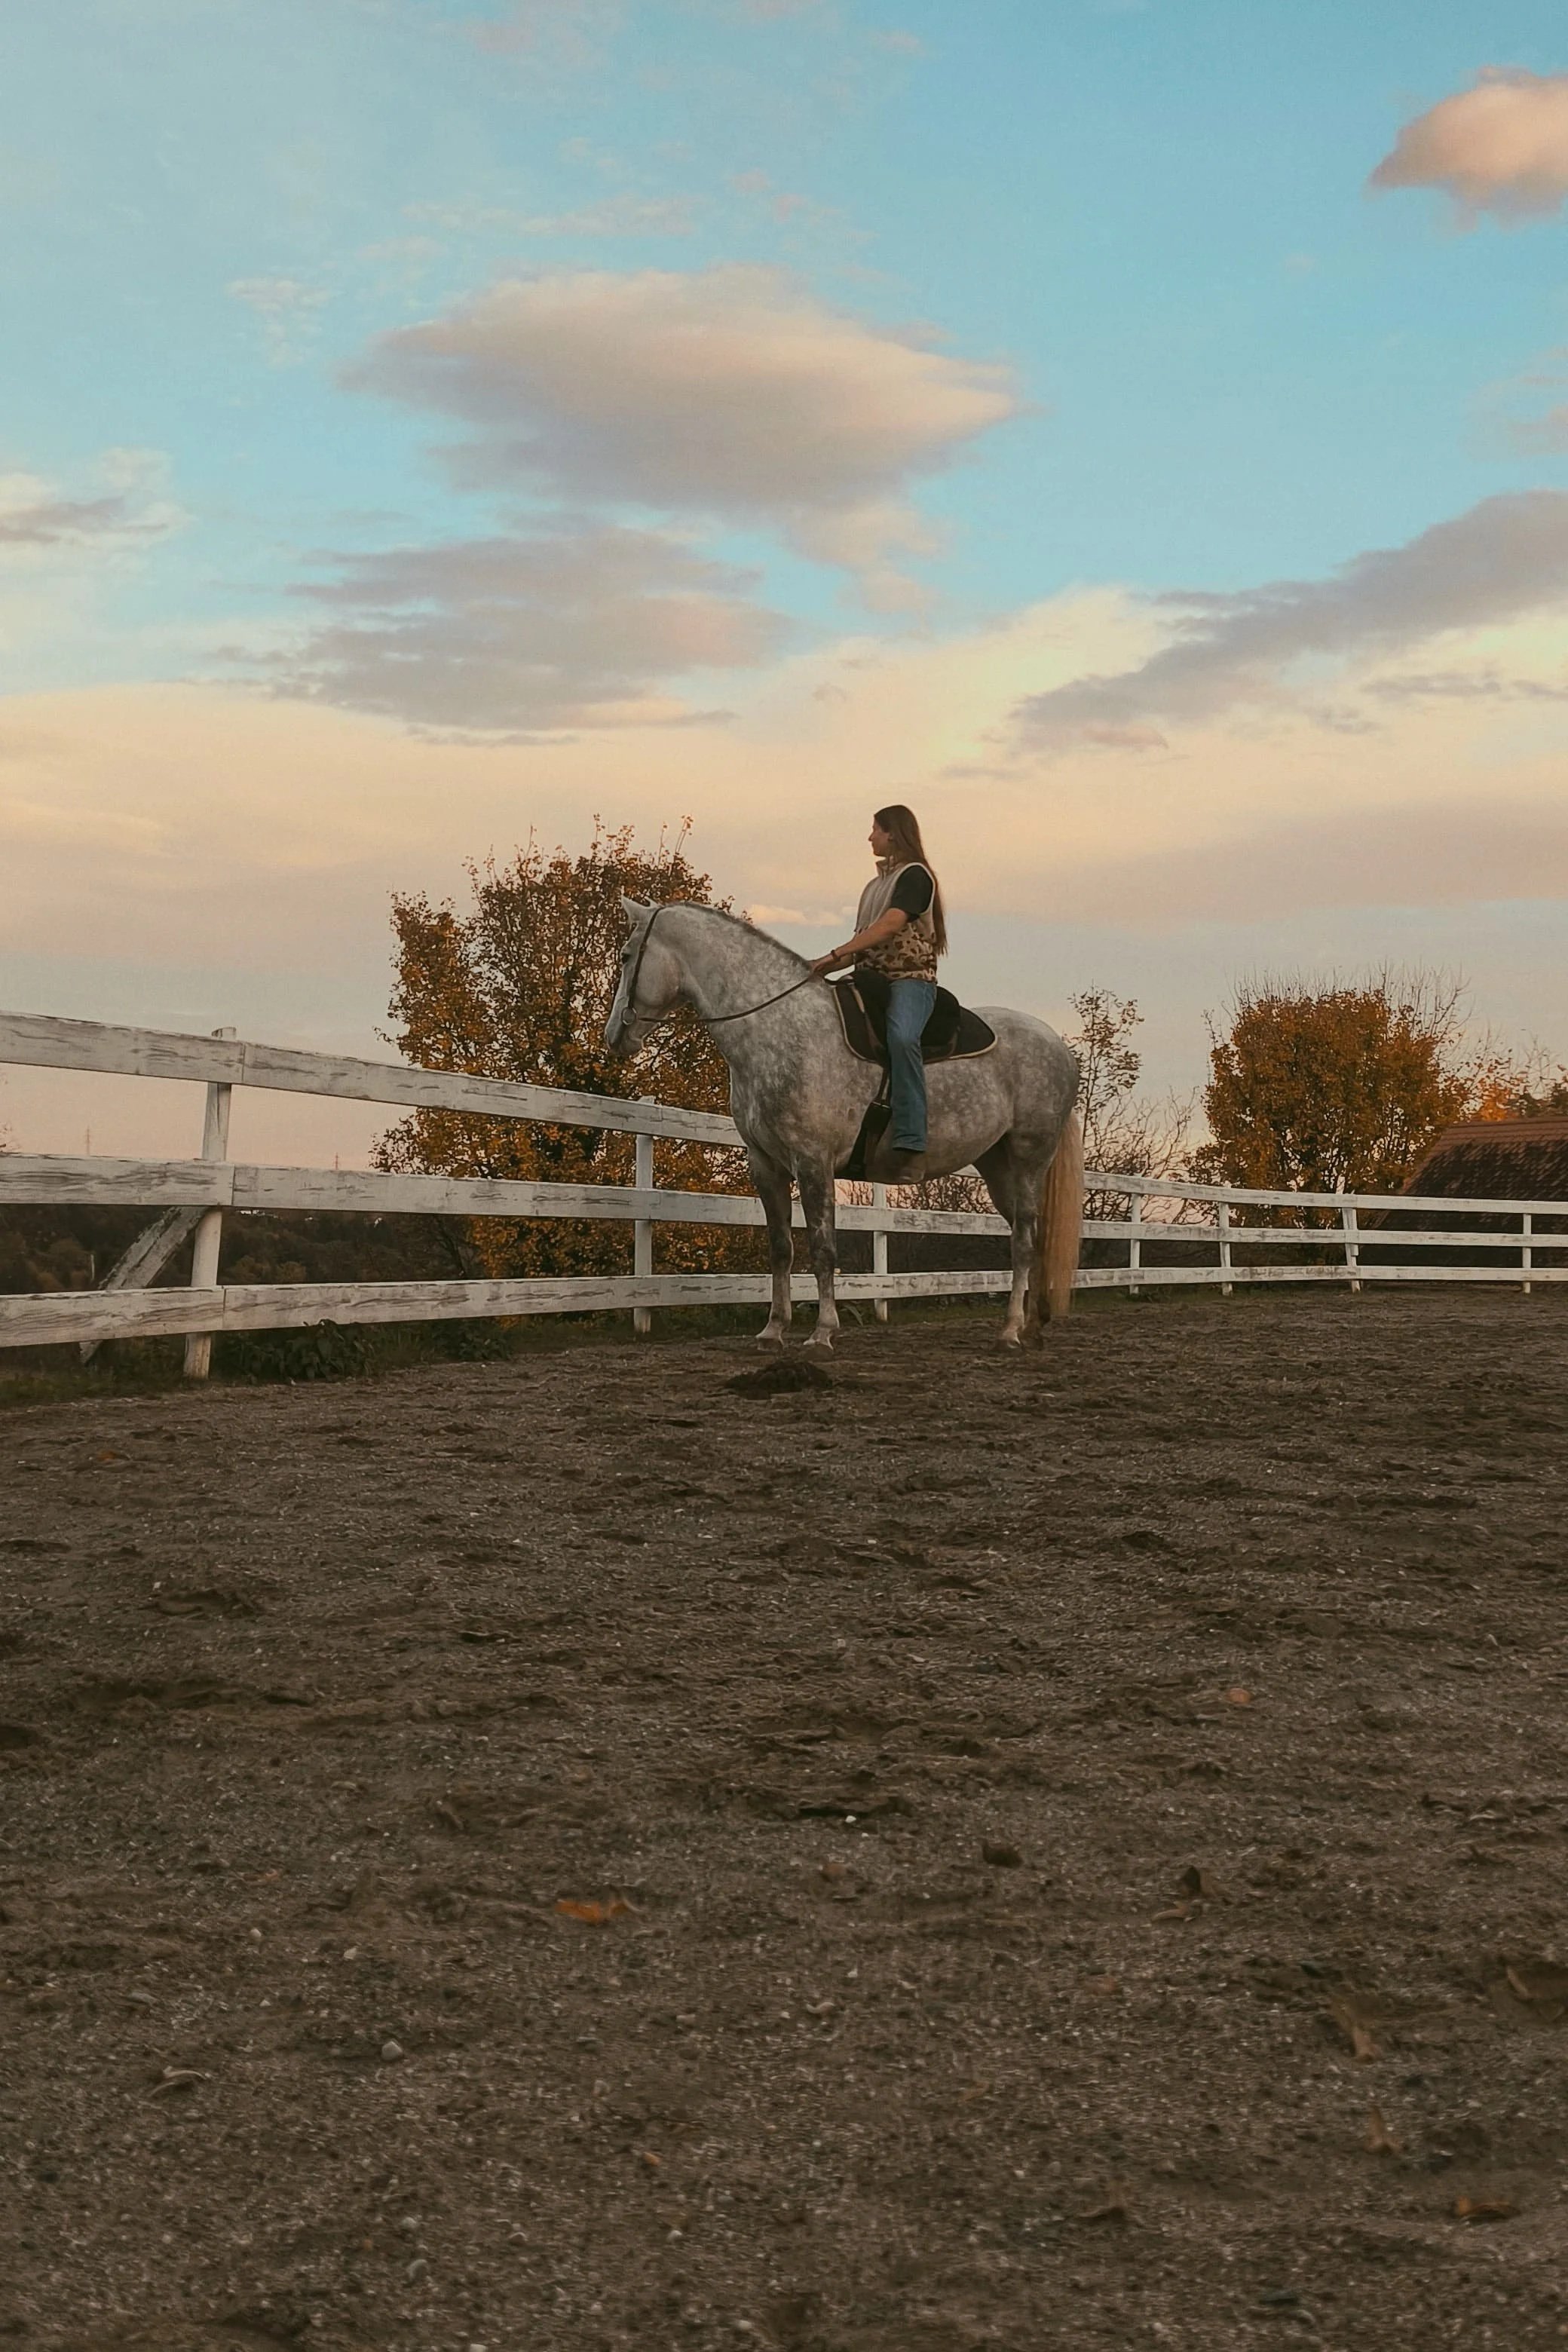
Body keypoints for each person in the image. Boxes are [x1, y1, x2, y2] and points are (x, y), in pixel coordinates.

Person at [809, 805, 947, 1169]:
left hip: (909, 980)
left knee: (903, 1037)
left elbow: (889, 926)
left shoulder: (916, 876)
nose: (870, 837)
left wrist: (836, 952)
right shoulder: (873, 886)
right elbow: (862, 942)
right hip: (869, 976)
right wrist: (815, 967)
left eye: (875, 830)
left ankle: (912, 1134)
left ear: (893, 834)